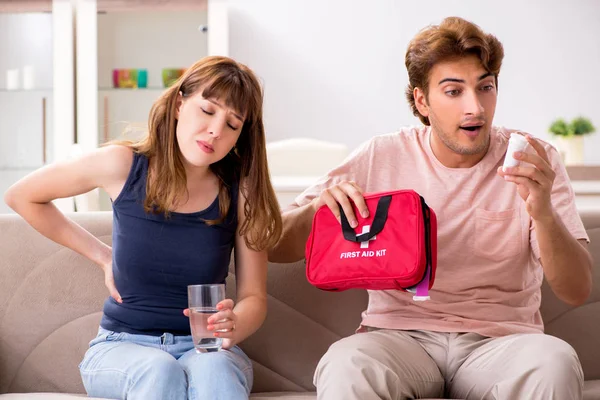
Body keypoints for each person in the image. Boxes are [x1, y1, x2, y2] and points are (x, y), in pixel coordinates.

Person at [268, 17, 592, 400]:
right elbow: (274, 246)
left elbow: (577, 290)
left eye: (485, 87)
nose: (475, 107)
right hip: (399, 337)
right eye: (454, 91)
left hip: (503, 343)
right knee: (345, 365)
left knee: (555, 363)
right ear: (421, 100)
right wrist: (317, 212)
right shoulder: (381, 156)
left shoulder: (535, 159)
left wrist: (542, 212)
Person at [4, 56, 282, 400]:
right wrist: (103, 256)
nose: (216, 131)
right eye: (208, 111)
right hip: (122, 346)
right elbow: (22, 196)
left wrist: (236, 324)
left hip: (205, 348)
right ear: (180, 104)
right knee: (159, 370)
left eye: (232, 124)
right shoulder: (123, 165)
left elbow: (254, 297)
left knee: (213, 370)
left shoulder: (239, 191)